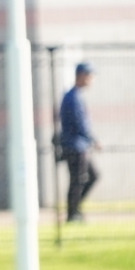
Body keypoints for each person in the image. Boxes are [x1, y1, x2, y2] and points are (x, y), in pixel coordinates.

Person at [56, 63, 100, 222]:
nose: (92, 80)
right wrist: (93, 140)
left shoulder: (74, 96)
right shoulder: (72, 97)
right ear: (82, 76)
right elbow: (79, 123)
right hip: (75, 146)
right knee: (77, 180)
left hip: (78, 145)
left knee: (90, 176)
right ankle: (72, 213)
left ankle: (74, 210)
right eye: (90, 76)